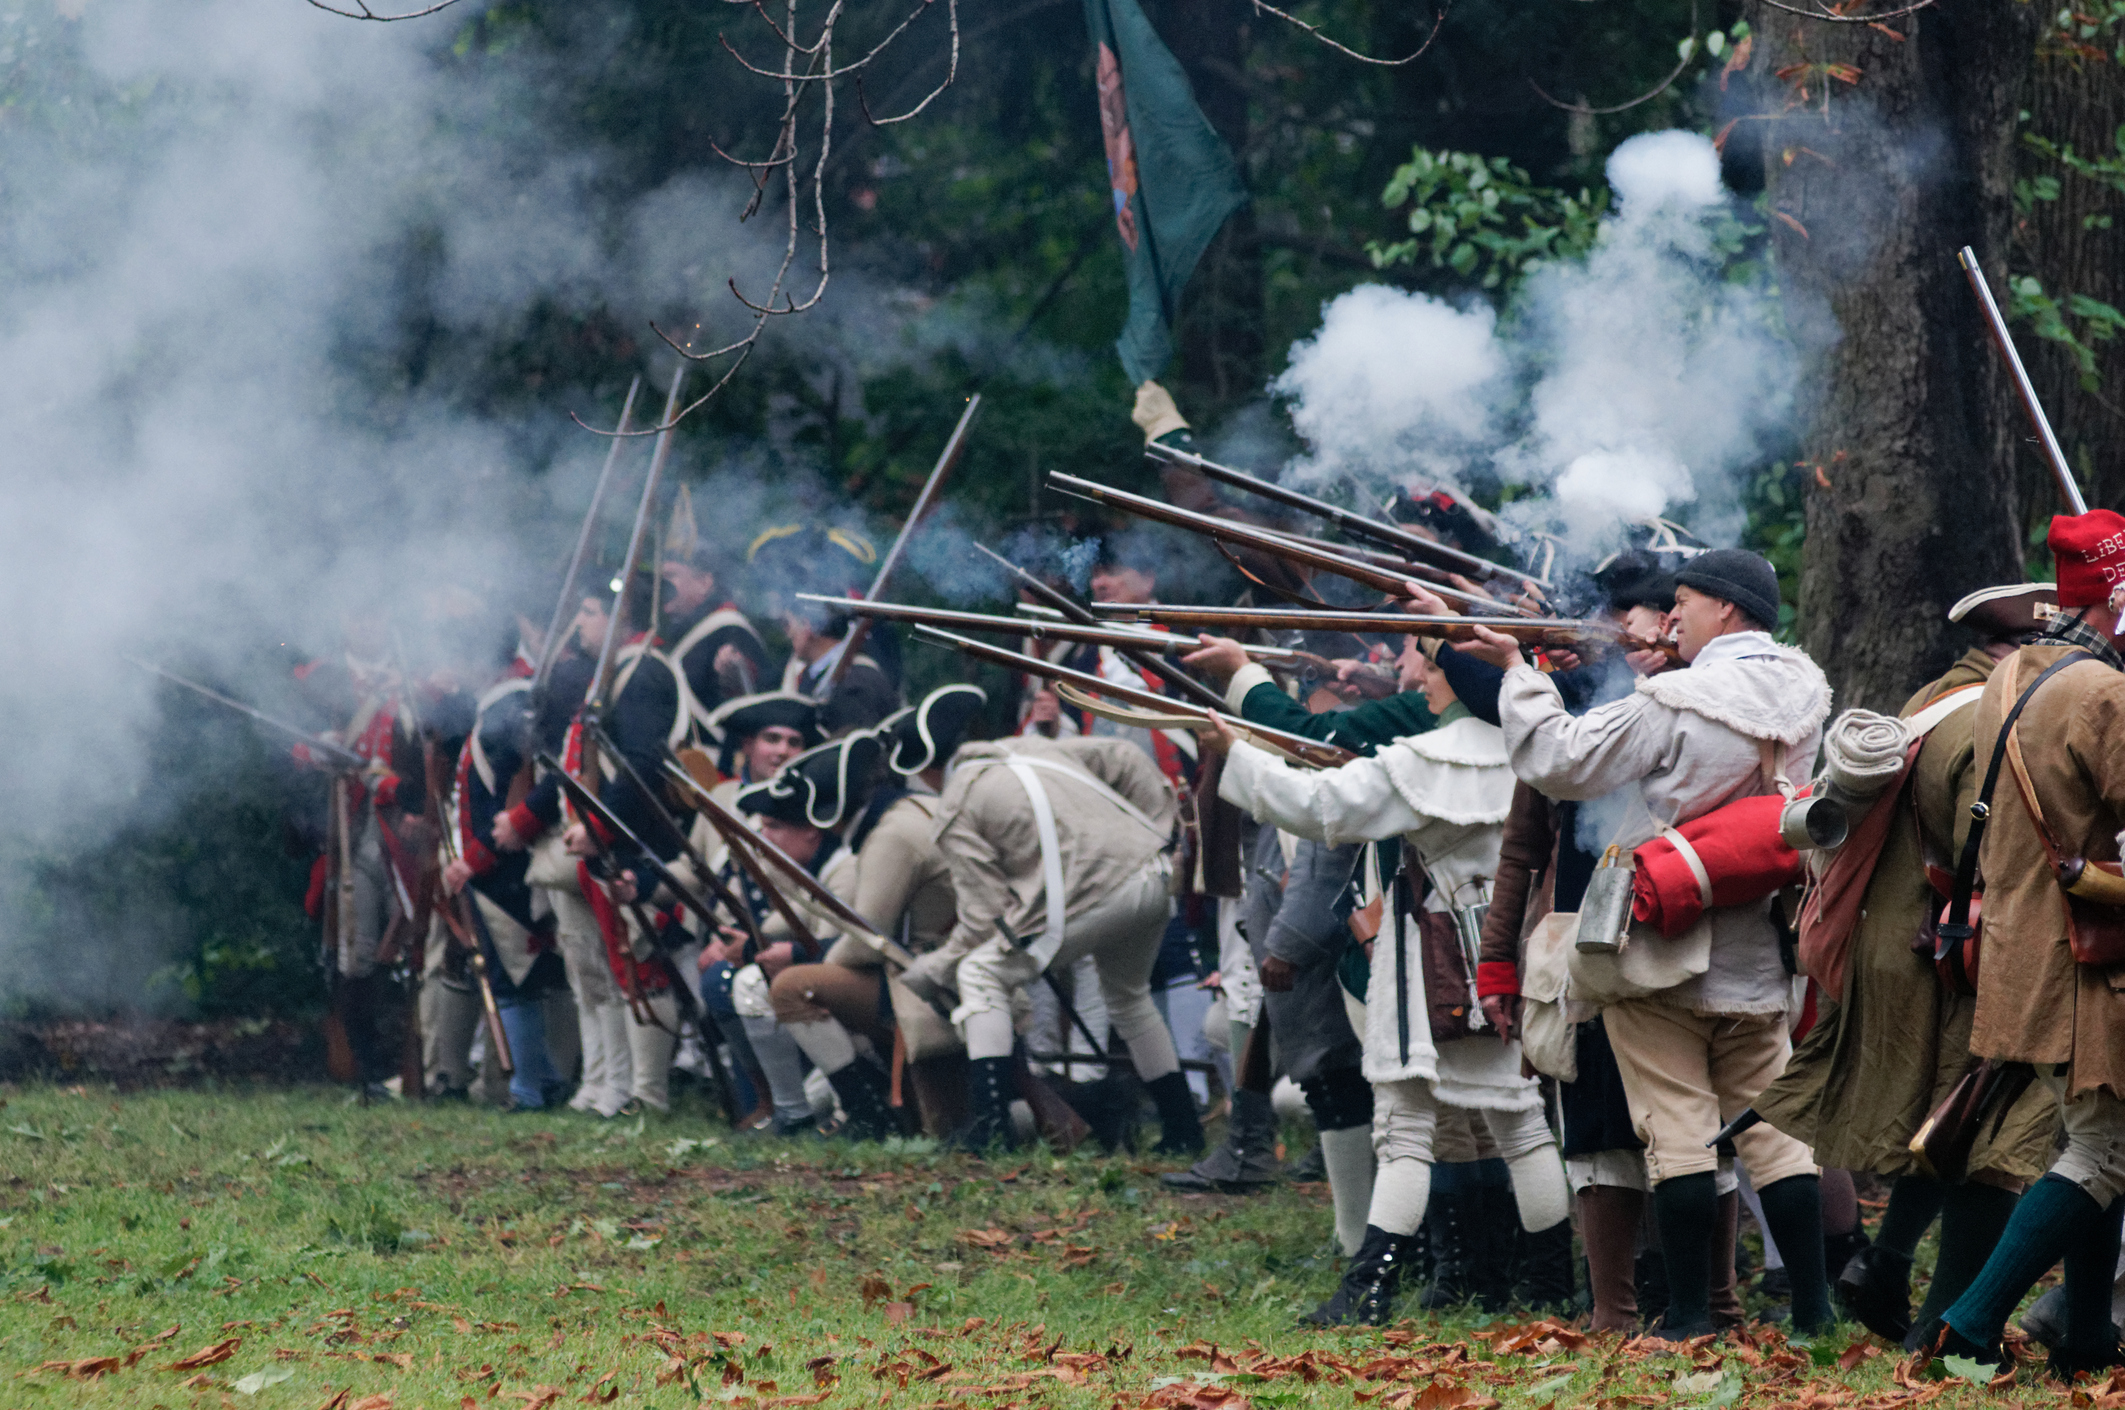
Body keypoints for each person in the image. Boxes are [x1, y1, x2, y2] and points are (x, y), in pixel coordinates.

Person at [1463, 547, 1836, 1338]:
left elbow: (1558, 759)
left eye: (1683, 604)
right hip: (1756, 938)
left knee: (1676, 1129)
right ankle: (1813, 1311)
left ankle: (1690, 1317)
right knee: (1773, 1135)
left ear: (1723, 609)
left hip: (1659, 937)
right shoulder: (1805, 688)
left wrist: (1517, 671)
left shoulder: (1672, 700)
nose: (1670, 620)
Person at [1201, 643, 1572, 1327]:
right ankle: (1551, 1288)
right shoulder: (1539, 746)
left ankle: (1367, 1290)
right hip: (1508, 958)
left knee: (1405, 1129)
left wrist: (1235, 752)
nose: (1420, 679)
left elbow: (1320, 807)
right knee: (1521, 1125)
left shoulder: (1427, 758)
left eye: (1433, 668)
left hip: (1431, 965)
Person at [1754, 582, 2061, 1347]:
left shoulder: (1932, 699)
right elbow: (1987, 856)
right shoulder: (1995, 718)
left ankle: (1887, 1264)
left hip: (1901, 946)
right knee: (1990, 1139)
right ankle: (1942, 1330)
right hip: (1959, 954)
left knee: (1945, 1124)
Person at [1919, 512, 2125, 1376]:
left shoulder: (2013, 674)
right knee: (2103, 1150)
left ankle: (2086, 1339)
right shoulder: (2102, 694)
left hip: (2020, 947)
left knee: (2093, 1139)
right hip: (2084, 957)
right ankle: (1965, 1326)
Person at [935, 733, 1199, 1154]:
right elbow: (1125, 754)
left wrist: (937, 968)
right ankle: (1184, 1130)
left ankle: (991, 1133)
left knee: (978, 971)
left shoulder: (954, 803)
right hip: (1153, 876)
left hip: (1095, 895)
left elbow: (984, 915)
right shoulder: (1035, 747)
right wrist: (1156, 831)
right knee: (1129, 998)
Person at [770, 687, 983, 1138]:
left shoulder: (890, 835)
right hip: (944, 963)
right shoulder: (911, 811)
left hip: (934, 976)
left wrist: (821, 964)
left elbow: (869, 938)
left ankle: (867, 1114)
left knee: (792, 988)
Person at [290, 605, 428, 1099]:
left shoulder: (416, 677)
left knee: (418, 946)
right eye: (358, 615)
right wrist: (317, 749)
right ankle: (370, 1070)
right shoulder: (318, 679)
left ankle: (426, 1066)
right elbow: (290, 751)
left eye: (375, 615)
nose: (367, 624)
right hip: (348, 833)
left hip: (407, 834)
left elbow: (436, 752)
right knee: (355, 952)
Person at [660, 538, 771, 728]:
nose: (663, 585)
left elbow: (750, 696)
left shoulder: (730, 630)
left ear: (704, 582)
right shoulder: (674, 632)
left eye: (671, 576)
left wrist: (736, 673)